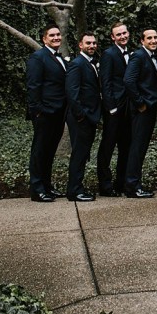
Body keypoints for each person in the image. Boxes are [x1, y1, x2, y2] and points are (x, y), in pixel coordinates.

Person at [26, 25, 67, 203]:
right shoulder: (38, 57)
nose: (56, 37)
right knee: (40, 151)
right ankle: (37, 189)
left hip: (58, 112)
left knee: (50, 151)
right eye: (52, 35)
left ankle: (47, 186)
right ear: (44, 39)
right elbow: (33, 86)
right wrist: (38, 111)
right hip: (44, 113)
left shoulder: (59, 58)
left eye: (58, 34)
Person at [123, 28, 157, 198]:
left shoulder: (152, 56)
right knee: (137, 147)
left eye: (155, 37)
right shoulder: (138, 56)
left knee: (141, 147)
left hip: (150, 108)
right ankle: (132, 186)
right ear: (142, 41)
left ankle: (134, 183)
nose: (153, 40)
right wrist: (140, 104)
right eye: (149, 38)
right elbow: (129, 80)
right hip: (142, 110)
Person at [96, 21, 132, 197]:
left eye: (124, 33)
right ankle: (105, 185)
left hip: (128, 109)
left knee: (126, 147)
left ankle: (121, 182)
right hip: (114, 110)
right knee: (107, 147)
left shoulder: (132, 54)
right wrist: (111, 108)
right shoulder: (108, 54)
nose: (122, 36)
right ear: (113, 37)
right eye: (118, 34)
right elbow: (105, 82)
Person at [64, 32, 100, 202]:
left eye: (93, 43)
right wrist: (81, 116)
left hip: (89, 117)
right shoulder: (77, 64)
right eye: (88, 43)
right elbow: (72, 94)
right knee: (79, 154)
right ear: (80, 45)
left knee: (83, 153)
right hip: (81, 118)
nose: (92, 46)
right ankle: (74, 191)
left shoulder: (90, 63)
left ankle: (77, 187)